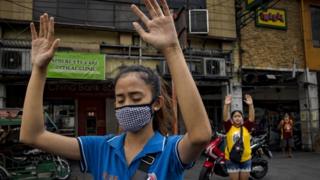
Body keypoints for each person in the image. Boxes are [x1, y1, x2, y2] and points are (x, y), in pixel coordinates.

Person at [19, 0, 212, 179]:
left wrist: (172, 49)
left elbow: (200, 135)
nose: (126, 105)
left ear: (157, 103)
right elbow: (32, 135)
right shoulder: (101, 148)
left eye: (136, 98)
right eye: (120, 99)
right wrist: (38, 69)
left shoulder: (170, 150)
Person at [223, 94, 255, 180]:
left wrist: (251, 105)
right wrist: (226, 105)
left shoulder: (246, 127)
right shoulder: (229, 127)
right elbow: (225, 118)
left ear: (242, 118)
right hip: (232, 160)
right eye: (235, 116)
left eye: (239, 116)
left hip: (246, 160)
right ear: (232, 119)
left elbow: (251, 118)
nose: (237, 118)